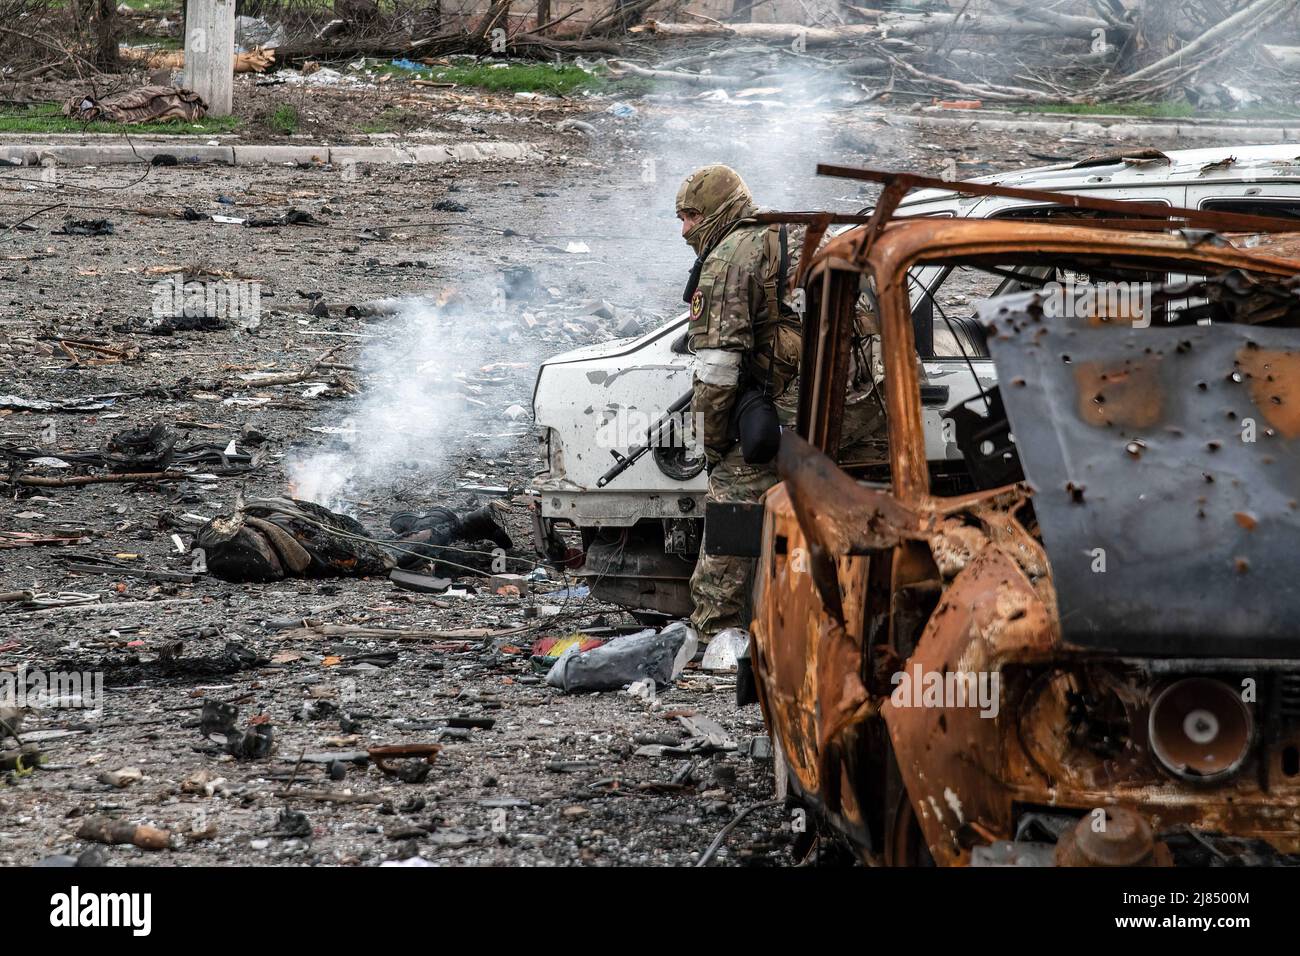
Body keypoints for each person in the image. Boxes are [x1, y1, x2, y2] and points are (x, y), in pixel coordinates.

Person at [676, 164, 802, 638]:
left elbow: (717, 371)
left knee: (732, 491)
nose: (686, 229)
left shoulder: (729, 257)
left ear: (717, 211)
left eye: (691, 216)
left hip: (786, 403)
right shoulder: (782, 234)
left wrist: (711, 445)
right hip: (847, 400)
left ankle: (718, 631)